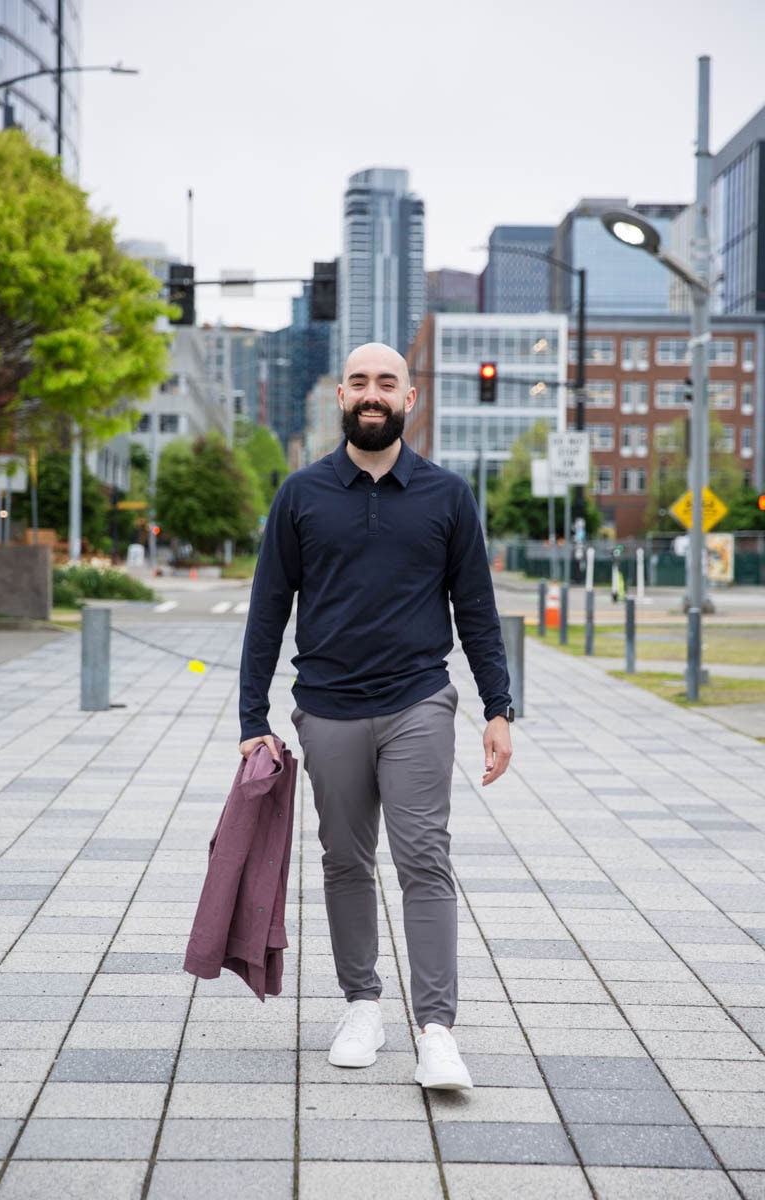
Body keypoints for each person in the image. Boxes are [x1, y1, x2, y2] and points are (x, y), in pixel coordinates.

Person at [238, 341, 513, 1091]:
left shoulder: (448, 497)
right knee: (344, 860)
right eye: (359, 381)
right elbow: (267, 612)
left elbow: (478, 612)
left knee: (424, 857)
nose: (372, 393)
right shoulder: (299, 496)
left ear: (409, 399)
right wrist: (250, 717)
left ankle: (437, 1030)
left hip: (418, 700)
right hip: (325, 709)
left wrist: (499, 708)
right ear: (340, 397)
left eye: (386, 382)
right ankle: (361, 1004)